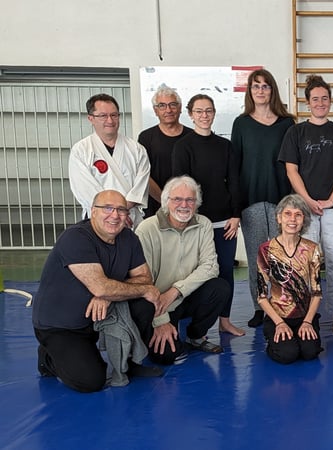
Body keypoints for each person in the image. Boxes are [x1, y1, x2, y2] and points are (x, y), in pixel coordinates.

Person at [32, 190, 162, 392]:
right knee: (90, 381)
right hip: (61, 325)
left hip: (98, 317)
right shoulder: (75, 238)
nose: (115, 215)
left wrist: (108, 295)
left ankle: (129, 363)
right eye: (107, 208)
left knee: (144, 304)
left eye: (121, 210)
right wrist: (106, 290)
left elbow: (145, 278)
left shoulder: (128, 238)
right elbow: (101, 287)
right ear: (93, 211)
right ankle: (48, 358)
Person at [279, 74, 333, 335]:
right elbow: (291, 170)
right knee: (306, 264)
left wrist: (331, 200)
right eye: (315, 99)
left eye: (325, 98)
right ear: (308, 103)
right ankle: (307, 317)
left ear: (330, 101)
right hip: (304, 211)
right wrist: (307, 200)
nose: (320, 103)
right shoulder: (296, 132)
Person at [132, 176, 230, 365]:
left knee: (220, 288)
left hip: (184, 296)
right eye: (177, 199)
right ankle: (164, 329)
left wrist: (176, 290)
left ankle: (196, 336)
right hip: (157, 304)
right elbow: (143, 282)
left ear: (196, 203)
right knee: (166, 356)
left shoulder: (204, 224)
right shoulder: (146, 229)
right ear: (166, 201)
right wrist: (160, 321)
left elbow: (210, 266)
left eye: (190, 200)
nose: (184, 205)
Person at [172, 94, 244, 336]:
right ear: (190, 114)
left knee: (225, 270)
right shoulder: (183, 147)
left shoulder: (225, 146)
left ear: (214, 113)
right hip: (194, 222)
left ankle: (225, 320)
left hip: (224, 221)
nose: (204, 115)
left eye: (209, 111)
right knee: (191, 273)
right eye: (199, 111)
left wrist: (236, 215)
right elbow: (181, 186)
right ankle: (191, 326)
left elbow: (234, 181)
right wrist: (187, 219)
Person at [231, 69, 296, 328]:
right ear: (250, 91)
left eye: (265, 86)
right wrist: (236, 207)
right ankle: (260, 307)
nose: (260, 90)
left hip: (282, 201)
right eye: (255, 86)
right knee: (257, 259)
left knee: (283, 257)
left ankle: (283, 304)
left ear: (272, 90)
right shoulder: (241, 123)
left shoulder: (287, 124)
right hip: (252, 201)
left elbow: (294, 164)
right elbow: (235, 167)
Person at [256, 194, 323, 364]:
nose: (292, 219)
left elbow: (316, 292)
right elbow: (261, 296)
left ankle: (299, 337)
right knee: (288, 355)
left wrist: (307, 321)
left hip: (304, 315)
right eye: (287, 214)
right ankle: (273, 340)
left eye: (298, 214)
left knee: (310, 352)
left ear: (304, 220)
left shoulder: (312, 248)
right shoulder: (266, 249)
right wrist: (279, 323)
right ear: (279, 218)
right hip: (278, 315)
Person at [68, 93, 150, 228]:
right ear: (91, 118)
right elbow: (85, 189)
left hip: (130, 217)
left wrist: (122, 211)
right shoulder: (81, 150)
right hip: (99, 218)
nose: (110, 120)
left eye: (114, 115)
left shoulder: (136, 149)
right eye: (103, 116)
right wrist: (114, 213)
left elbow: (141, 186)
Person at [138, 83, 192, 217]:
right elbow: (144, 175)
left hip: (187, 205)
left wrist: (182, 202)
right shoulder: (146, 137)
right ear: (155, 110)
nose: (168, 110)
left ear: (180, 108)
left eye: (173, 105)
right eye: (162, 105)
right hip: (156, 206)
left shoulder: (192, 136)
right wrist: (165, 201)